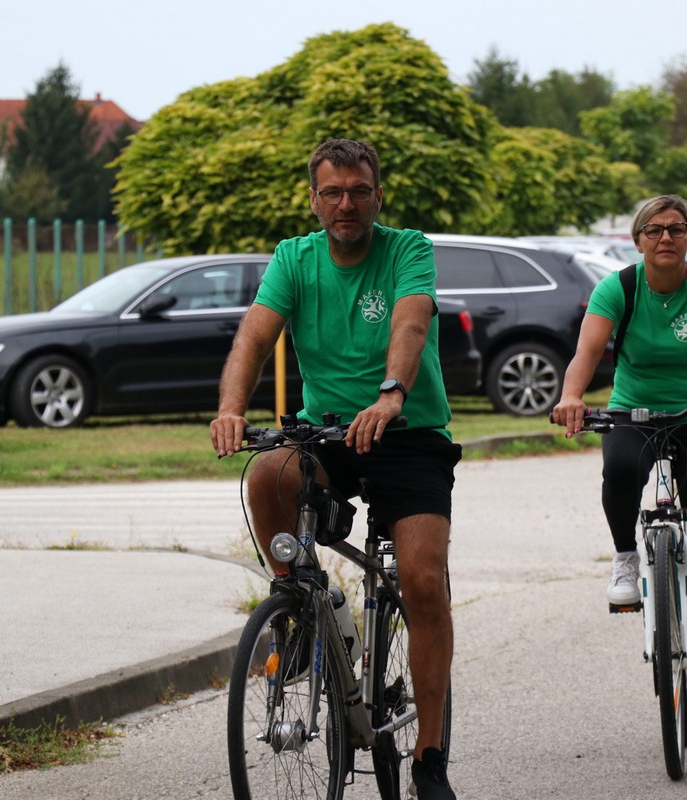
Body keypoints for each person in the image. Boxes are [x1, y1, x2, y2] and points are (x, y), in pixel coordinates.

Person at [210, 139, 460, 799]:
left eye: (358, 191)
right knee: (266, 473)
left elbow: (409, 326)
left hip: (408, 432)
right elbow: (254, 335)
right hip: (327, 435)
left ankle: (429, 757)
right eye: (332, 192)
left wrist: (391, 394)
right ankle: (301, 602)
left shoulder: (408, 249)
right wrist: (232, 407)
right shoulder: (295, 258)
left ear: (377, 195)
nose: (345, 204)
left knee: (423, 580)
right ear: (314, 198)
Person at [550, 194, 687, 721]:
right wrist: (572, 397)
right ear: (638, 239)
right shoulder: (618, 288)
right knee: (621, 469)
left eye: (677, 229)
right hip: (634, 411)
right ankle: (625, 554)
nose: (665, 237)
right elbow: (586, 353)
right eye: (654, 230)